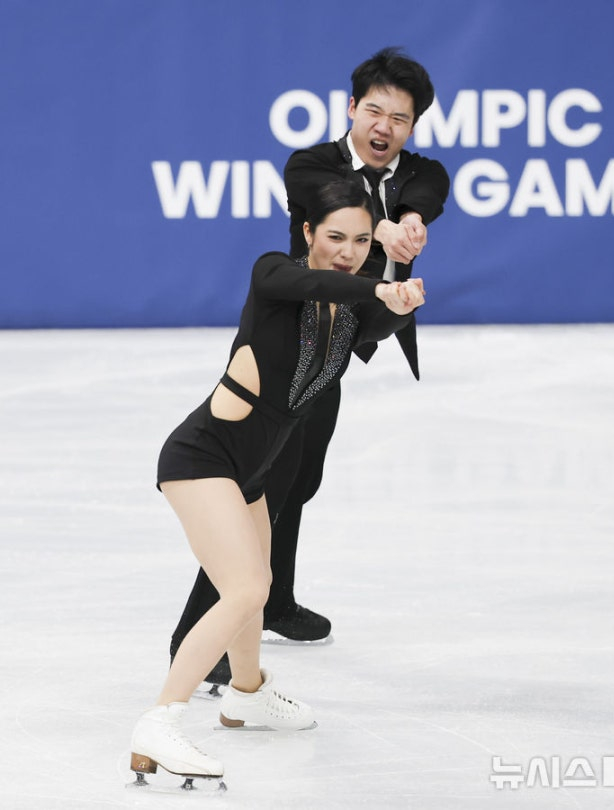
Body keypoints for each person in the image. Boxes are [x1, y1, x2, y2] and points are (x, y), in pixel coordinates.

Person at [169, 47, 450, 686]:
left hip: (345, 337)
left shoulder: (418, 174)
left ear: (412, 127)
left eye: (400, 119)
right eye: (373, 110)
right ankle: (198, 635)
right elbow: (334, 203)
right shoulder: (312, 166)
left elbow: (430, 188)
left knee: (298, 478)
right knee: (253, 481)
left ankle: (276, 599)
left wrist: (410, 219)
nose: (384, 126)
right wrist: (381, 235)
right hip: (290, 337)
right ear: (352, 109)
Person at [130, 180, 426, 783]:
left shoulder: (347, 315)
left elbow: (375, 323)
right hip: (202, 458)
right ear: (309, 233)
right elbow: (316, 283)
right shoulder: (274, 276)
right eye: (336, 236)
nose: (347, 250)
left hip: (253, 473)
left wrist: (399, 296)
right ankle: (159, 722)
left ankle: (246, 695)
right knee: (241, 590)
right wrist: (378, 284)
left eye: (362, 240)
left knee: (258, 590)